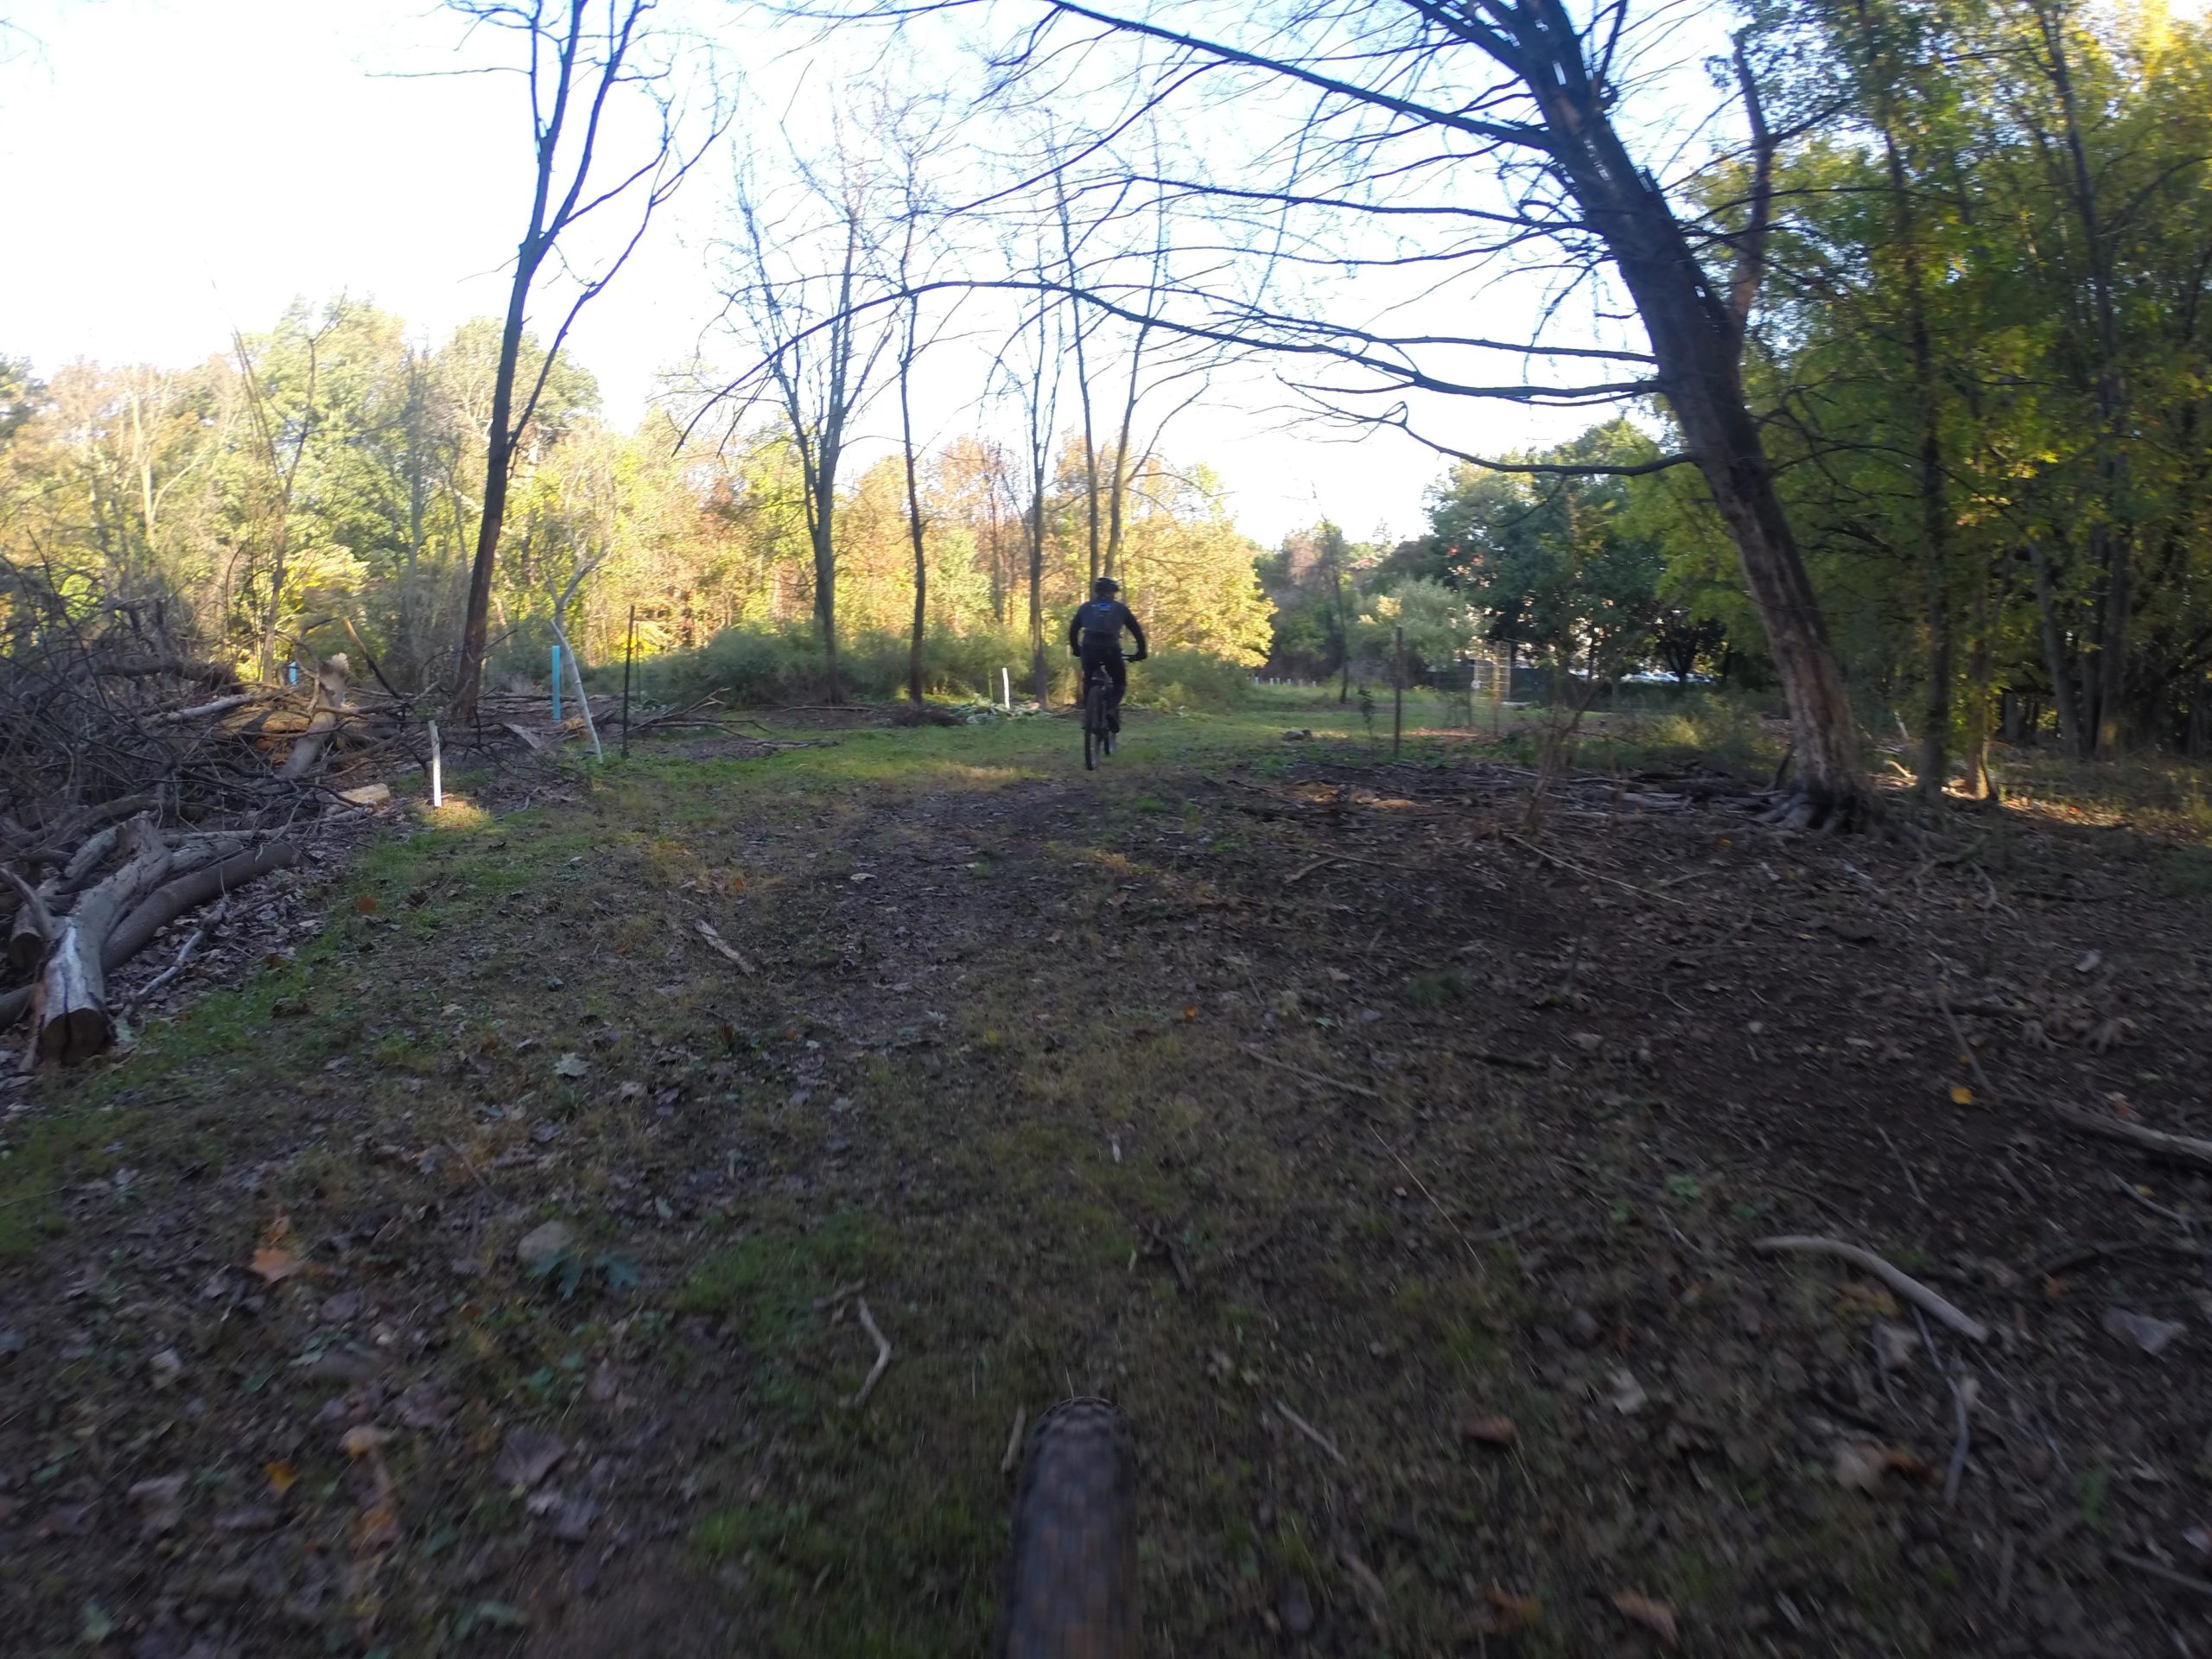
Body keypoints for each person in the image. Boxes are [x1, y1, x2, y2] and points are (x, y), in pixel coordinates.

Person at [1067, 577, 1147, 728]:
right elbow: (1137, 631)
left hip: (1089, 648)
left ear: (1096, 591)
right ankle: (1109, 709)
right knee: (1119, 683)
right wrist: (1141, 651)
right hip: (1111, 649)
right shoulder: (1121, 609)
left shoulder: (1086, 607)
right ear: (1113, 593)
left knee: (1089, 679)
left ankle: (1088, 713)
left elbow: (1073, 630)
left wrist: (1076, 649)